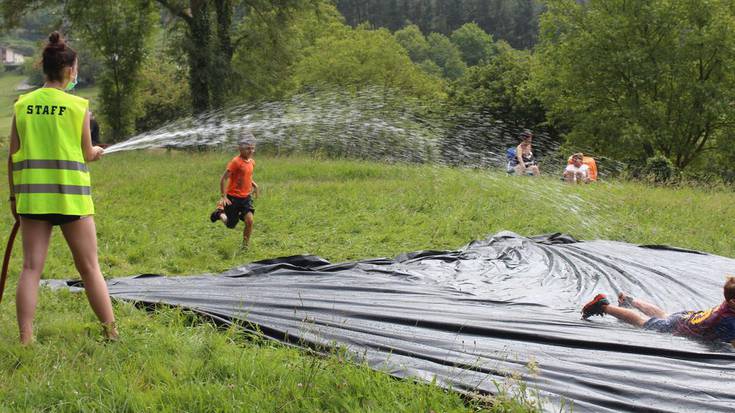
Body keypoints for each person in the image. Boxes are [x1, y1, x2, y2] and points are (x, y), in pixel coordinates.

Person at [7, 32, 118, 344]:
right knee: (89, 268)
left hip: (33, 199)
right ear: (70, 71)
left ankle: (26, 339)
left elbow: (12, 156)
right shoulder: (78, 106)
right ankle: (111, 332)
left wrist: (14, 198)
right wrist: (97, 151)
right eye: (77, 69)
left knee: (30, 268)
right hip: (72, 199)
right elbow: (86, 153)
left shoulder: (22, 105)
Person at [581, 276, 735, 348]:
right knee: (642, 322)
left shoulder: (728, 305)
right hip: (681, 327)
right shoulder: (729, 321)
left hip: (686, 318)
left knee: (665, 316)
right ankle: (603, 306)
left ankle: (630, 301)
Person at [210, 135, 260, 247]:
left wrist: (254, 185)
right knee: (231, 225)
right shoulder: (236, 162)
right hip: (233, 198)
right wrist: (223, 196)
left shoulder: (252, 162)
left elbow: (247, 176)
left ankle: (245, 246)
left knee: (250, 221)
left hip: (246, 198)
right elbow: (223, 179)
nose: (251, 151)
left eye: (252, 148)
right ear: (240, 149)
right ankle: (219, 213)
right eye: (248, 148)